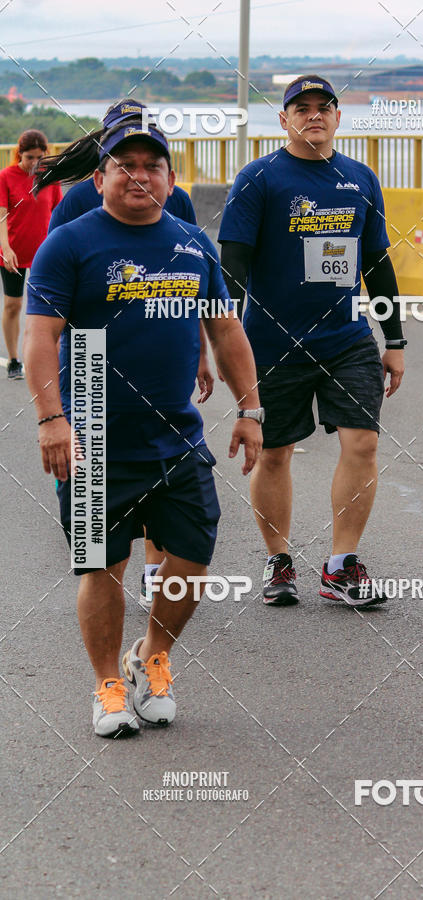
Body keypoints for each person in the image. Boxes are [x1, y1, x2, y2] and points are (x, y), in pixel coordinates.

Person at [24, 121, 263, 738]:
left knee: (190, 560)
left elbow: (226, 330)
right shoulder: (70, 243)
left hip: (178, 435)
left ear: (171, 179)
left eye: (151, 166)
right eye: (124, 165)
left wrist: (250, 408)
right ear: (100, 177)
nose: (139, 176)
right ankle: (107, 685)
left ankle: (152, 656)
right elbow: (40, 336)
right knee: (101, 567)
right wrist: (52, 419)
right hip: (94, 433)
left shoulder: (191, 242)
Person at [219, 75, 406, 609]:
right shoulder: (259, 180)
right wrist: (219, 340)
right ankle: (279, 559)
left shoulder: (360, 179)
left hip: (347, 338)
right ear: (283, 120)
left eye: (324, 107)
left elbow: (377, 263)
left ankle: (341, 564)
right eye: (301, 108)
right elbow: (232, 268)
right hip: (272, 343)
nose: (314, 115)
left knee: (362, 442)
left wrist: (394, 339)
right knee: (275, 454)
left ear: (338, 118)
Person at [41, 98, 214, 610]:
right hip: (94, 361)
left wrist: (200, 353)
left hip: (164, 357)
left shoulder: (175, 203)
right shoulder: (76, 206)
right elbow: (53, 301)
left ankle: (155, 570)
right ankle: (108, 575)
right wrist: (56, 406)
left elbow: (189, 288)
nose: (139, 174)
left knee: (167, 471)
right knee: (100, 530)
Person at [0, 129, 62, 379]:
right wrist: (5, 248)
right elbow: (2, 215)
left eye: (39, 157)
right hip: (12, 251)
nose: (34, 163)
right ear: (19, 154)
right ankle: (14, 359)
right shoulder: (6, 176)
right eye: (29, 158)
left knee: (47, 311)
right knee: (13, 305)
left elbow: (58, 215)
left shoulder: (50, 177)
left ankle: (49, 361)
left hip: (44, 254)